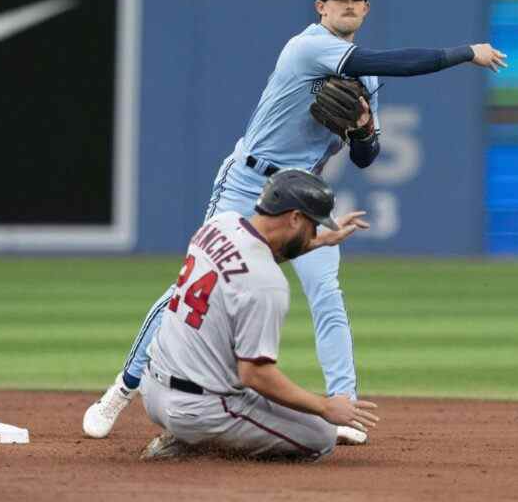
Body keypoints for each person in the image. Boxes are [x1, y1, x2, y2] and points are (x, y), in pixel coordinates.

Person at [83, 0, 507, 445]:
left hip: (303, 196)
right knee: (191, 283)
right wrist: (464, 53)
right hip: (248, 183)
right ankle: (123, 387)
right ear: (321, 8)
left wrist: (364, 127)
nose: (348, 3)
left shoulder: (361, 75)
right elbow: (400, 62)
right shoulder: (306, 46)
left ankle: (343, 408)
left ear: (366, 9)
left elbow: (367, 158)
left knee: (328, 295)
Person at [139, 169, 378, 460]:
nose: (314, 233)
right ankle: (192, 444)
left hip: (151, 388)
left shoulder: (220, 225)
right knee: (320, 436)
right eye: (313, 226)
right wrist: (324, 406)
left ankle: (186, 433)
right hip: (198, 410)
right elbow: (255, 375)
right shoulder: (268, 285)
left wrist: (319, 242)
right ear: (293, 218)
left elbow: (251, 260)